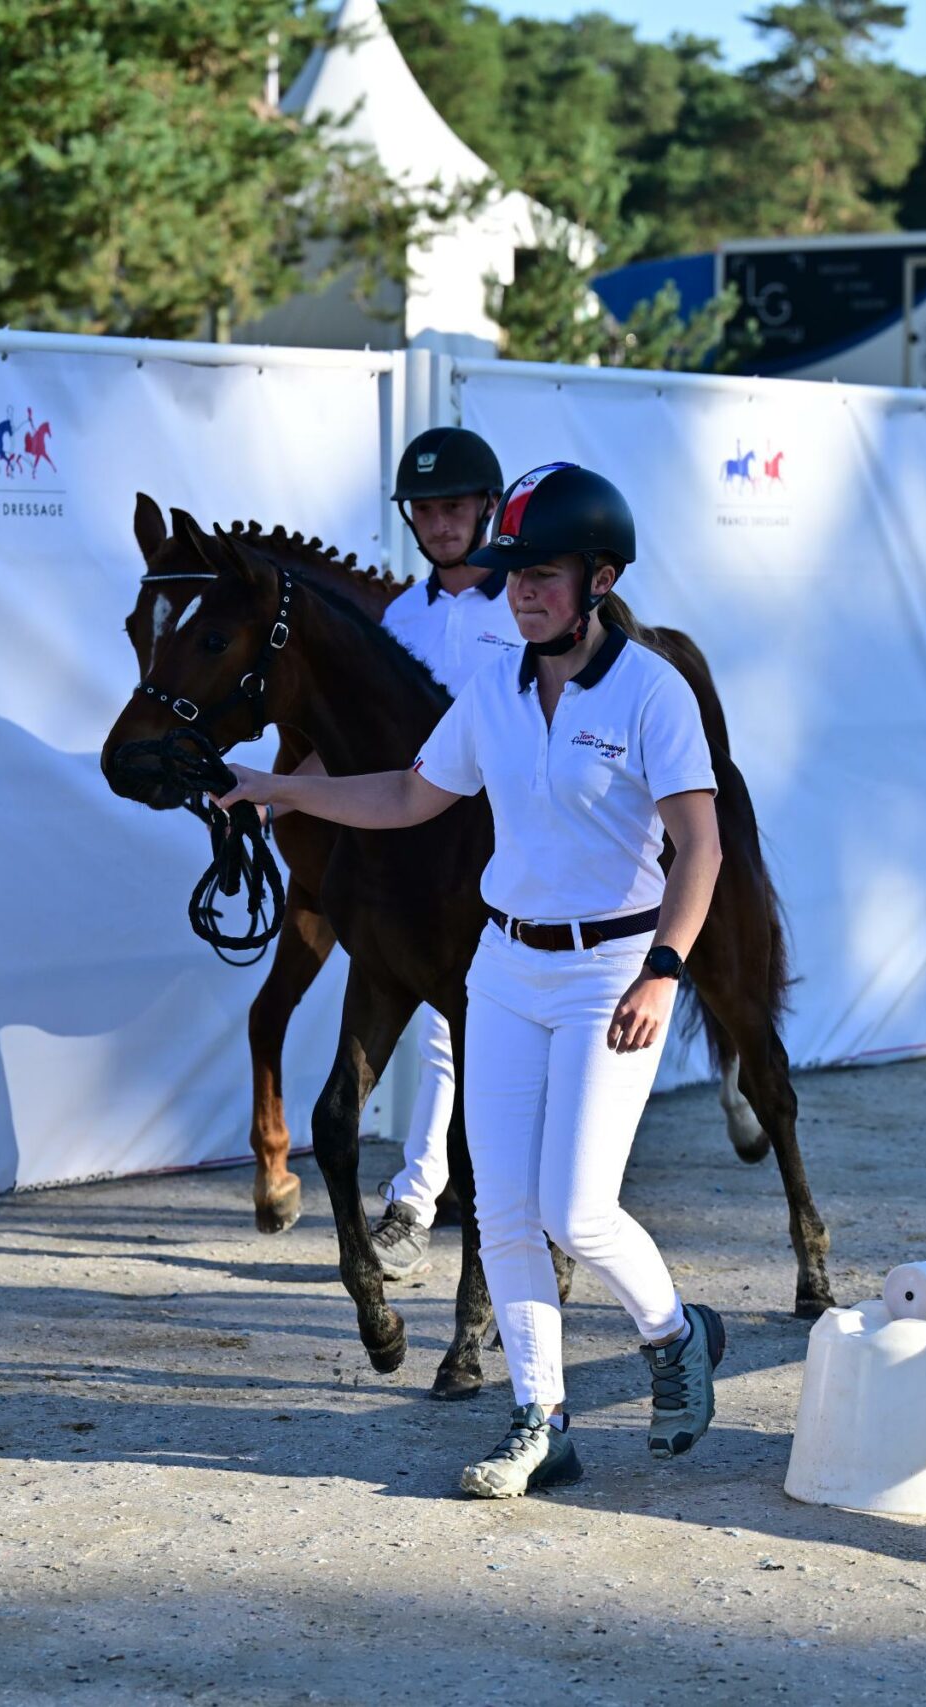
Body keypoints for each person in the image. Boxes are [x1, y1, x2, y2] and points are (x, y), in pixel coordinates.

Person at [214, 461, 727, 1500]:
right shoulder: (494, 686)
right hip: (504, 969)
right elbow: (411, 795)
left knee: (577, 1210)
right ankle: (540, 1420)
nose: (520, 592)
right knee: (502, 1208)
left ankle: (676, 1336)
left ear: (600, 578)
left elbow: (701, 849)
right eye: (514, 574)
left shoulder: (651, 691)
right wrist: (276, 789)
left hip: (612, 970)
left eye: (542, 575)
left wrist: (665, 969)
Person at [367, 426, 525, 1282]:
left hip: (527, 854)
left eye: (454, 505)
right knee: (440, 1034)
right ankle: (417, 1201)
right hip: (432, 864)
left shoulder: (527, 604)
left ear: (487, 507)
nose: (438, 522)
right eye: (424, 509)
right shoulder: (399, 618)